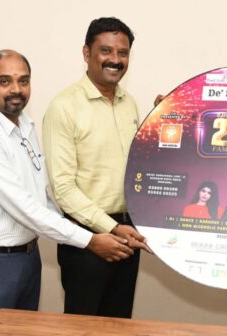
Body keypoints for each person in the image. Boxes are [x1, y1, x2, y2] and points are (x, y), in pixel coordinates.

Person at [0, 50, 133, 334]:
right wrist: (89, 240)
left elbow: (42, 198)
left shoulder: (25, 126)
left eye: (23, 81)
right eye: (5, 81)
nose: (16, 89)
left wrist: (98, 230)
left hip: (26, 257)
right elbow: (25, 208)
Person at [43, 17, 151, 319]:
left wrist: (169, 117)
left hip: (128, 232)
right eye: (106, 51)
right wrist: (110, 227)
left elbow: (139, 167)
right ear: (86, 52)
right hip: (87, 238)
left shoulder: (129, 103)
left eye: (123, 53)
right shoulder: (64, 107)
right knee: (83, 332)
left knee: (119, 327)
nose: (115, 59)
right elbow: (63, 189)